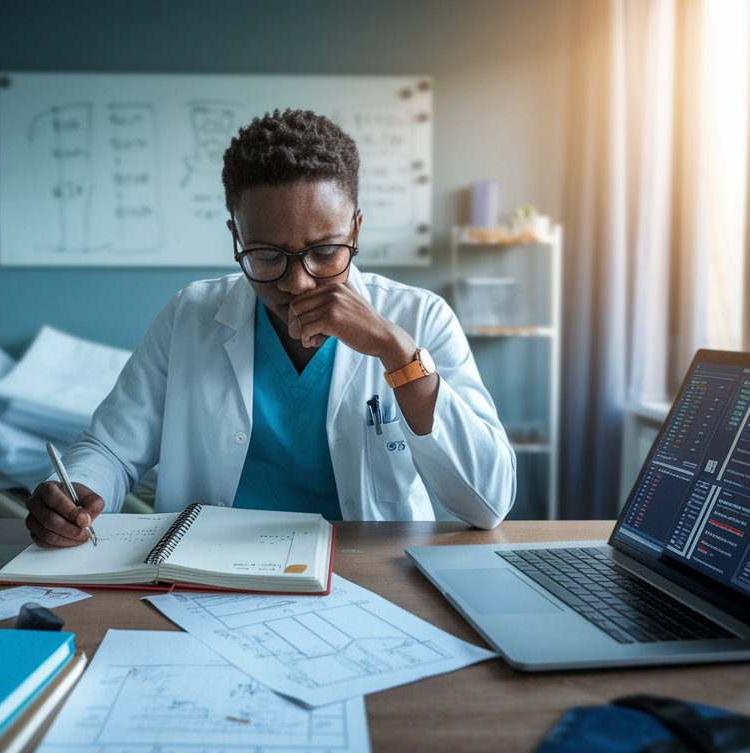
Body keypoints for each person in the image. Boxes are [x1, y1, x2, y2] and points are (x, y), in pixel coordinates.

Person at [26, 109, 516, 548]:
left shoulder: (420, 319)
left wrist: (397, 354)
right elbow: (111, 449)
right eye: (265, 255)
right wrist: (79, 494)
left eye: (325, 251)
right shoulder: (189, 315)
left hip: (372, 574)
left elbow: (487, 503)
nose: (298, 283)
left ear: (356, 231)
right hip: (204, 576)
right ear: (236, 237)